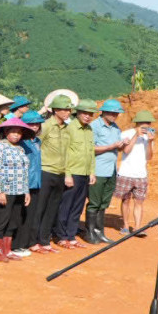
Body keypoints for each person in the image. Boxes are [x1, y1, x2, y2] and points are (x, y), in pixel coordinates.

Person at [29, 95, 73, 253]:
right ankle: (33, 241)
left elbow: (68, 152)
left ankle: (45, 240)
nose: (68, 112)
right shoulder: (46, 126)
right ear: (55, 110)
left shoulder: (67, 129)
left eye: (69, 109)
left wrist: (68, 173)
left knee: (52, 209)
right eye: (64, 109)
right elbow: (35, 146)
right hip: (45, 171)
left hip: (60, 173)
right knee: (39, 208)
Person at [0, 117, 34, 262]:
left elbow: (25, 171)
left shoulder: (20, 148)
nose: (16, 135)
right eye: (13, 132)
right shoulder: (0, 147)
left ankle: (7, 250)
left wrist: (26, 191)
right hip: (6, 189)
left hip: (20, 190)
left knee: (14, 220)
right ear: (6, 132)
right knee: (2, 218)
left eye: (19, 132)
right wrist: (0, 191)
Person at [53, 100, 96, 248]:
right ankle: (61, 236)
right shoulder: (69, 128)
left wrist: (91, 172)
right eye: (85, 113)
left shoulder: (89, 130)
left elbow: (91, 152)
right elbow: (64, 153)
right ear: (78, 113)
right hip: (72, 173)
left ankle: (71, 236)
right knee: (66, 205)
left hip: (84, 173)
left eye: (90, 114)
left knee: (78, 206)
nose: (88, 116)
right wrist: (67, 174)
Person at [85, 99, 125, 244]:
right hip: (98, 170)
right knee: (94, 202)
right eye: (112, 112)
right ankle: (89, 233)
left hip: (111, 170)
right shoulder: (94, 126)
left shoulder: (116, 128)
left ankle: (99, 231)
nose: (115, 115)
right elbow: (91, 148)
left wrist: (120, 145)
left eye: (117, 113)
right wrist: (111, 146)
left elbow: (116, 148)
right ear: (104, 112)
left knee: (104, 203)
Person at [113, 111, 156, 238]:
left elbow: (149, 157)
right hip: (126, 173)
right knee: (125, 200)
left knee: (139, 202)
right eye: (144, 124)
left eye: (148, 124)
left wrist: (149, 142)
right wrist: (136, 136)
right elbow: (125, 150)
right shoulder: (126, 134)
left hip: (141, 174)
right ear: (137, 124)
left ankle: (137, 227)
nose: (146, 126)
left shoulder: (150, 136)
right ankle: (126, 226)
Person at [11, 110, 48, 257]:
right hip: (23, 183)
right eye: (31, 123)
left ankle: (24, 243)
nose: (35, 126)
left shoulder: (37, 142)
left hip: (36, 183)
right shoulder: (21, 142)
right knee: (20, 216)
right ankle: (16, 245)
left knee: (30, 215)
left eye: (37, 123)